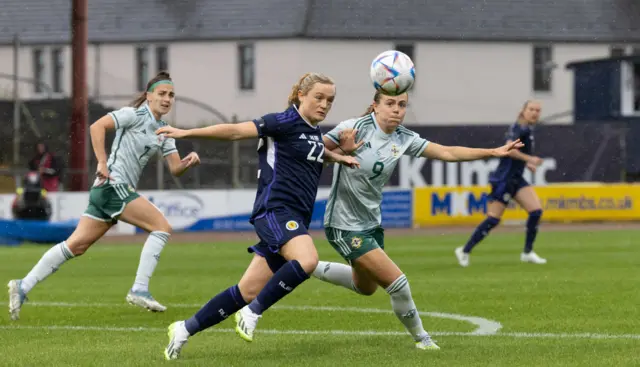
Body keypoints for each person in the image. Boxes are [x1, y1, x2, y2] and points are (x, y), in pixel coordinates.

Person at [266, 90, 521, 351]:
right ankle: (423, 340)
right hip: (343, 225)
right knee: (398, 284)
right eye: (390, 104)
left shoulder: (403, 138)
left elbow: (447, 152)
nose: (397, 110)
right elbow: (310, 152)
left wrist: (493, 151)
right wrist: (343, 150)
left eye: (402, 105)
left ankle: (306, 266)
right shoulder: (353, 128)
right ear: (375, 106)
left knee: (364, 287)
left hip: (371, 224)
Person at [158, 72, 358, 360]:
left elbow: (313, 152)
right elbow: (236, 131)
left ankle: (184, 329)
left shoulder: (312, 130)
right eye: (318, 97)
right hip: (274, 210)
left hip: (293, 217)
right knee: (307, 260)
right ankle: (251, 314)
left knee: (247, 290)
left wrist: (339, 155)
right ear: (301, 95)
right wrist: (186, 133)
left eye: (330, 100)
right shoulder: (282, 122)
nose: (325, 104)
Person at [7, 71, 201, 320]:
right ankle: (139, 288)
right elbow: (97, 126)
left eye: (171, 95)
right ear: (149, 96)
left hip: (108, 191)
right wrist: (102, 162)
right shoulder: (133, 115)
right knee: (161, 227)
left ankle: (23, 285)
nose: (167, 99)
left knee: (76, 246)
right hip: (112, 185)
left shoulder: (165, 130)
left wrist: (188, 162)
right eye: (162, 93)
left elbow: (175, 168)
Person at [455, 100, 547, 267]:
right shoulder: (519, 128)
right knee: (493, 219)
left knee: (536, 211)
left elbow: (517, 154)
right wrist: (530, 159)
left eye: (538, 110)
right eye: (531, 109)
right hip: (504, 179)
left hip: (517, 178)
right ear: (523, 110)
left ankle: (527, 252)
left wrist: (527, 164)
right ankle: (464, 250)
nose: (535, 113)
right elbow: (509, 149)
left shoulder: (527, 129)